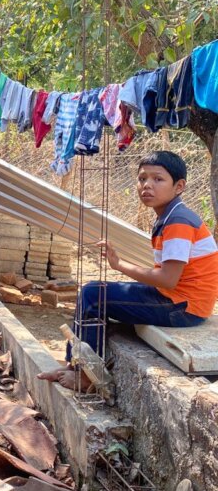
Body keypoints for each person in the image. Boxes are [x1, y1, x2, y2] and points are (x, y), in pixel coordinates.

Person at [40, 150, 218, 387]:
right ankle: (74, 364)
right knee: (97, 292)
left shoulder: (178, 222)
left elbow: (167, 279)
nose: (147, 185)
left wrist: (119, 265)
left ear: (179, 186)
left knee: (93, 296)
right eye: (142, 178)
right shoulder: (171, 215)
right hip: (181, 300)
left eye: (158, 179)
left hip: (183, 307)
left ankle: (84, 375)